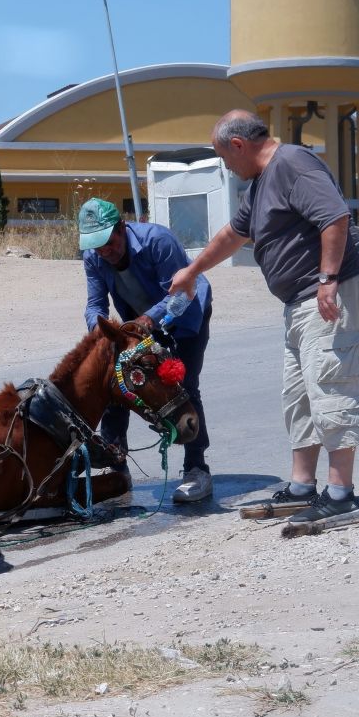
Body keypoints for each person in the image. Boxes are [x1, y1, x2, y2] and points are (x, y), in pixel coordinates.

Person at [170, 109, 359, 523]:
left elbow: (334, 216)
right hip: (300, 303)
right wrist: (193, 270)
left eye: (225, 158)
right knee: (299, 396)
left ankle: (340, 493)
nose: (227, 167)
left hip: (331, 294)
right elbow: (233, 234)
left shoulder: (292, 164)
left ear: (239, 145)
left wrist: (327, 279)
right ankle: (302, 486)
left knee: (330, 386)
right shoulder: (263, 184)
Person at [79, 197, 215, 502]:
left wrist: (146, 320)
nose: (104, 252)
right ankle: (116, 468)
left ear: (122, 228)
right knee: (116, 384)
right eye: (96, 246)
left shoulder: (158, 241)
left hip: (185, 314)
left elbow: (181, 294)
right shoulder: (93, 257)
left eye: (109, 243)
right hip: (138, 324)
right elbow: (95, 305)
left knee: (182, 386)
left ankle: (197, 468)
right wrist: (100, 332)